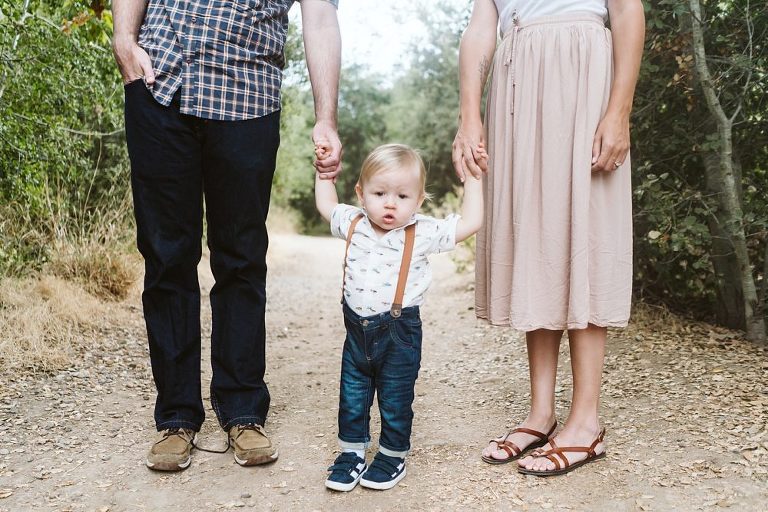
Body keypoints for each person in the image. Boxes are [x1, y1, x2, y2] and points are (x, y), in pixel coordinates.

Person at [111, 0, 342, 471]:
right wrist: (123, 39)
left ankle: (242, 410)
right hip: (160, 86)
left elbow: (320, 18)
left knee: (240, 259)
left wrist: (326, 117)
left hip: (247, 98)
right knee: (166, 257)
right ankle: (176, 417)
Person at [454, 0, 644, 476]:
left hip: (581, 73)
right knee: (534, 238)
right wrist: (469, 115)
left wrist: (619, 112)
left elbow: (626, 12)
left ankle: (585, 422)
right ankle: (542, 413)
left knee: (586, 228)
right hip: (516, 79)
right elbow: (481, 25)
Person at [314, 143, 484, 490]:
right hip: (356, 333)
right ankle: (351, 453)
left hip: (399, 333)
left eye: (403, 196)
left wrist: (475, 179)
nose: (390, 203)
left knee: (395, 397)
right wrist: (324, 173)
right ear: (361, 194)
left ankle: (392, 455)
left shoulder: (422, 232)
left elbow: (471, 223)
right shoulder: (354, 223)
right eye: (379, 193)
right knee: (352, 394)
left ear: (419, 201)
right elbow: (325, 204)